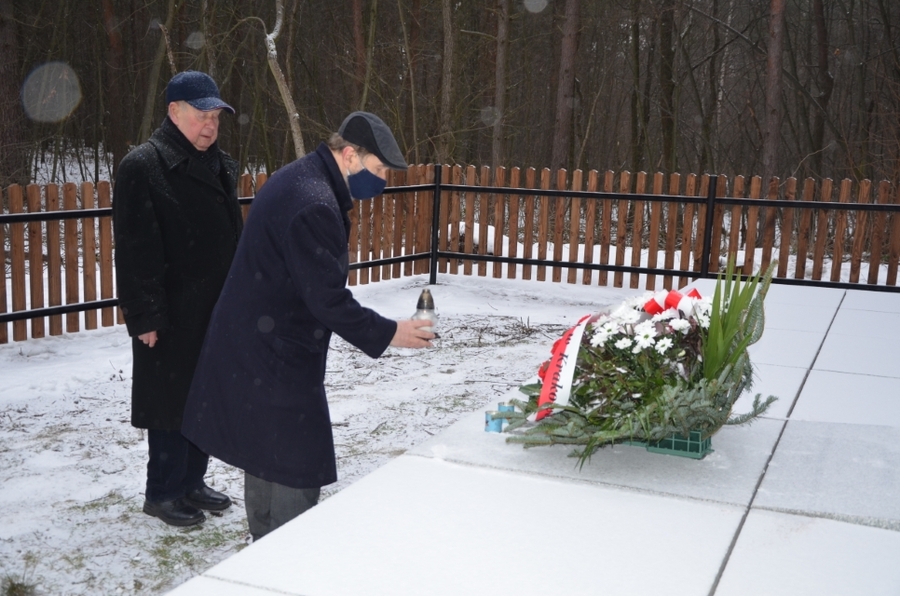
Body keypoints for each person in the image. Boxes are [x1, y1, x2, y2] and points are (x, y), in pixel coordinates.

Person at [181, 111, 434, 541]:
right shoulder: (314, 202)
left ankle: (264, 545)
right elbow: (327, 300)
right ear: (350, 154)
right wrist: (391, 332)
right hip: (273, 350)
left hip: (256, 338)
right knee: (295, 464)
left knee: (265, 451)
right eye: (377, 170)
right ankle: (284, 552)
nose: (382, 182)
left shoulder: (303, 176)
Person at [113, 71, 242, 527]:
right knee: (169, 404)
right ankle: (163, 491)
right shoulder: (143, 166)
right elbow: (133, 250)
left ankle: (192, 481)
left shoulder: (222, 165)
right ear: (173, 111)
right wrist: (145, 314)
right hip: (168, 312)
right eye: (200, 115)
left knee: (205, 399)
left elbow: (232, 238)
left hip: (215, 309)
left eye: (214, 117)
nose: (209, 125)